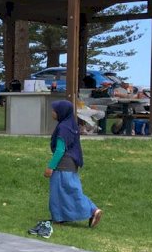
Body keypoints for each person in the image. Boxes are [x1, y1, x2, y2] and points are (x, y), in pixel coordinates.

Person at [31, 101, 103, 238]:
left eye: (54, 110)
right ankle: (60, 217)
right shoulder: (71, 124)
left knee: (66, 191)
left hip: (63, 164)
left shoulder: (63, 128)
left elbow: (60, 149)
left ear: (61, 112)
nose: (52, 113)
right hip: (71, 163)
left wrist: (50, 167)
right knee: (65, 191)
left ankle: (92, 211)